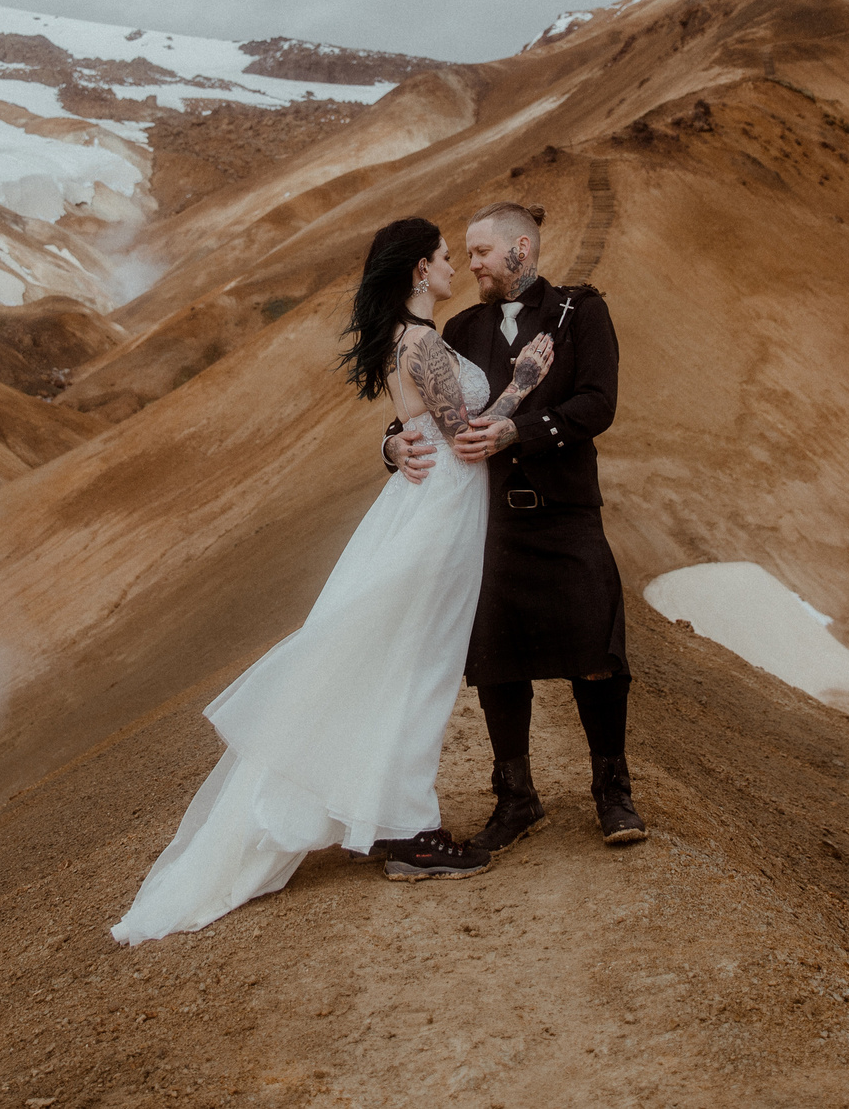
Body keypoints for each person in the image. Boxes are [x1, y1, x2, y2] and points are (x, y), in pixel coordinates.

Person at [110, 217, 557, 945]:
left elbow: (412, 427)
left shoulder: (402, 342)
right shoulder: (424, 344)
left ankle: (392, 817)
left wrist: (391, 442)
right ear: (419, 269)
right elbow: (467, 440)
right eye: (445, 257)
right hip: (439, 514)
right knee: (419, 668)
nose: (452, 268)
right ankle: (410, 832)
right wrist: (524, 383)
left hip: (422, 506)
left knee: (401, 664)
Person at [385, 201, 645, 852]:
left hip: (566, 513)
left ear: (521, 250)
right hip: (490, 523)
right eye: (464, 254)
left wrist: (518, 431)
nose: (470, 263)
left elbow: (598, 401)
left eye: (480, 252)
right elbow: (426, 410)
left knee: (597, 650)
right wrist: (390, 447)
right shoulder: (465, 326)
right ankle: (516, 796)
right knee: (496, 661)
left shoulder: (582, 312)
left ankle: (612, 790)